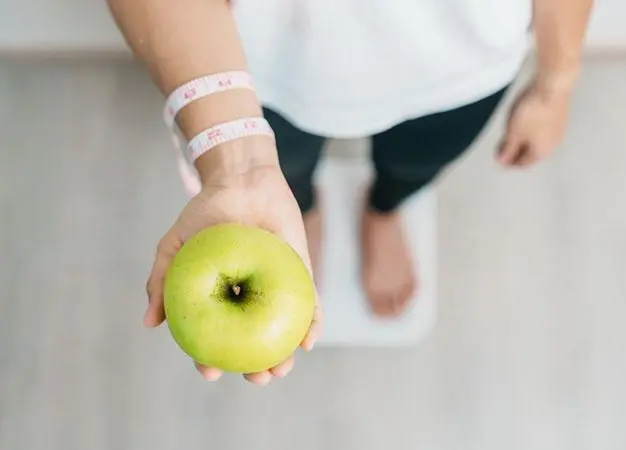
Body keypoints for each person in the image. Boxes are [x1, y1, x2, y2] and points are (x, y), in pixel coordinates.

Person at [107, 0, 593, 385]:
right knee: (287, 172)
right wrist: (240, 164)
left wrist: (556, 81)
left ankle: (384, 210)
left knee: (415, 164)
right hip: (257, 60)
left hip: (461, 59)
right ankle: (305, 210)